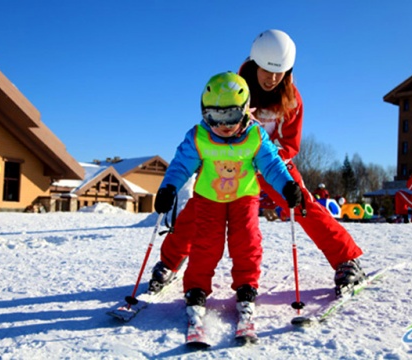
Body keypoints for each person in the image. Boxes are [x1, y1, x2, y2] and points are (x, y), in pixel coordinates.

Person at [151, 29, 365, 297]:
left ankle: (346, 259)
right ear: (255, 63)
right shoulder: (234, 86)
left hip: (269, 162)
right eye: (267, 70)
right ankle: (170, 262)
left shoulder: (292, 99)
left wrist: (270, 160)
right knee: (199, 210)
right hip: (227, 162)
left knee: (302, 204)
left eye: (280, 72)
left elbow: (290, 143)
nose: (272, 78)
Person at [153, 71, 302, 319]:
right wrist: (168, 187)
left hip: (244, 198)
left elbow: (272, 164)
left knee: (247, 242)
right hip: (208, 199)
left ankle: (247, 286)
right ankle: (196, 288)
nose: (222, 125)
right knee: (205, 245)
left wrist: (287, 185)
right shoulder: (199, 137)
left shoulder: (255, 136)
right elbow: (181, 165)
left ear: (244, 110)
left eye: (230, 116)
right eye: (213, 117)